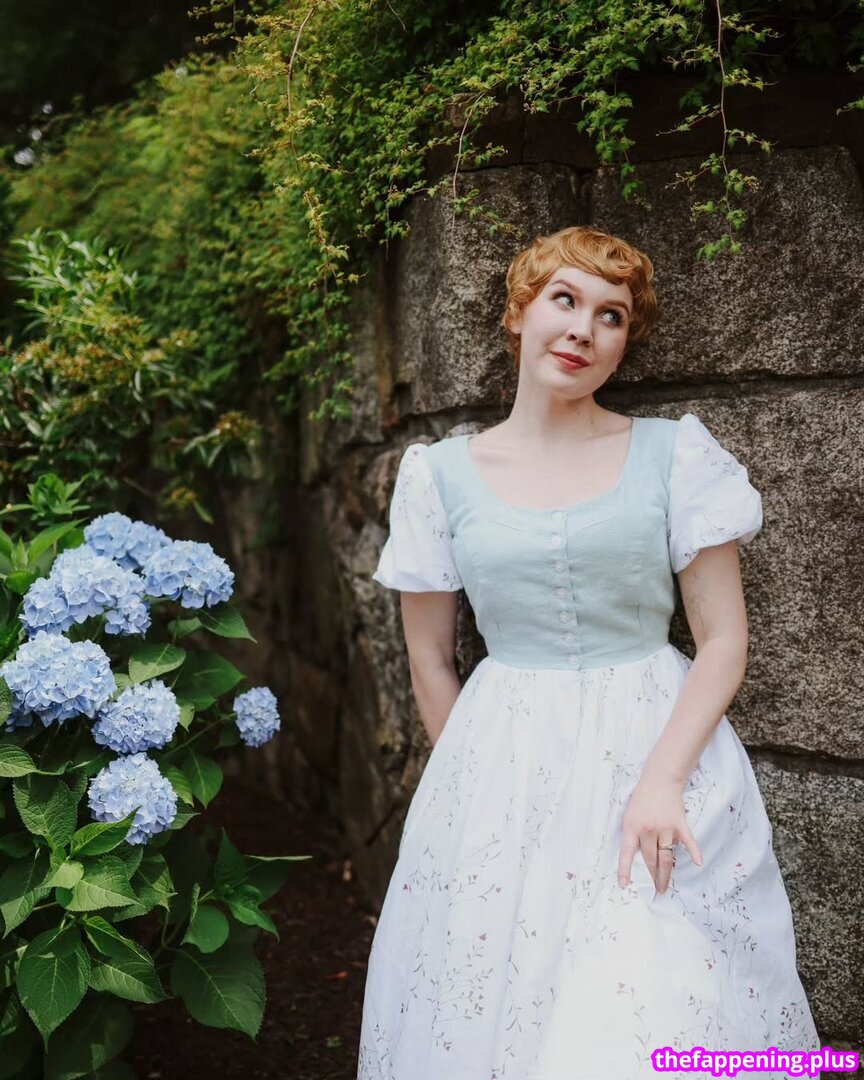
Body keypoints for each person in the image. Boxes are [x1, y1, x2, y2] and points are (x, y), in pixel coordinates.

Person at [357, 225, 819, 1079]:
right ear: (518, 314)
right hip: (501, 757)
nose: (583, 329)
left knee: (655, 986)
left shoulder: (675, 455)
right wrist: (474, 794)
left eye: (611, 316)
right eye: (564, 300)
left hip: (655, 743)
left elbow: (723, 640)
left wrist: (662, 782)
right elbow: (430, 659)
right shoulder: (438, 476)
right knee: (496, 990)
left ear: (624, 343)